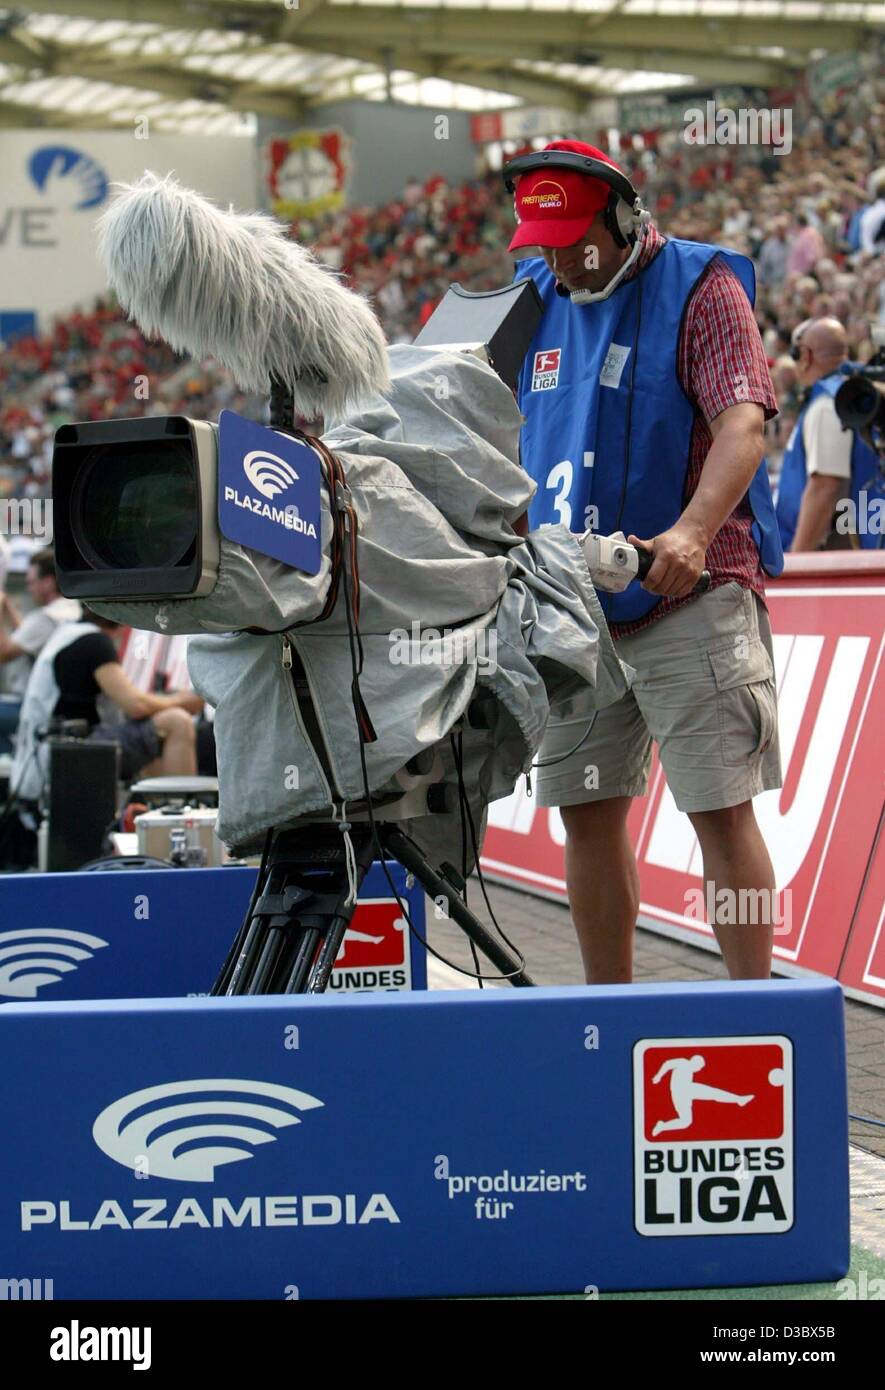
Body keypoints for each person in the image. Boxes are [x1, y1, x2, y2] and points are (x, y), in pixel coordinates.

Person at [504, 138, 784, 984]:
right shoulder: (527, 299)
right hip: (570, 597)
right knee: (584, 814)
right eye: (541, 241)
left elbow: (744, 422)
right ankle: (606, 1011)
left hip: (688, 593)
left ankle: (750, 1013)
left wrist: (693, 531)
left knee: (718, 811)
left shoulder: (701, 287)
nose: (559, 257)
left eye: (575, 239)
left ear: (625, 220)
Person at [10, 607, 203, 805]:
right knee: (176, 722)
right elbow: (135, 705)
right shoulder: (95, 642)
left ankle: (155, 810)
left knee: (152, 734)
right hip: (77, 750)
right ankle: (180, 814)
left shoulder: (67, 634)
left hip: (50, 752)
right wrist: (182, 701)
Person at [776, 317, 883, 551]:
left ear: (806, 355)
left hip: (833, 547)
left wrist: (797, 561)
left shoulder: (827, 403)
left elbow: (825, 487)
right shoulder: (852, 394)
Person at [0, 548, 82, 695]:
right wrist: (8, 607)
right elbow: (27, 635)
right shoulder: (72, 608)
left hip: (35, 700)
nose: (29, 588)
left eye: (31, 582)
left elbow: (3, 654)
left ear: (48, 582)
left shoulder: (46, 617)